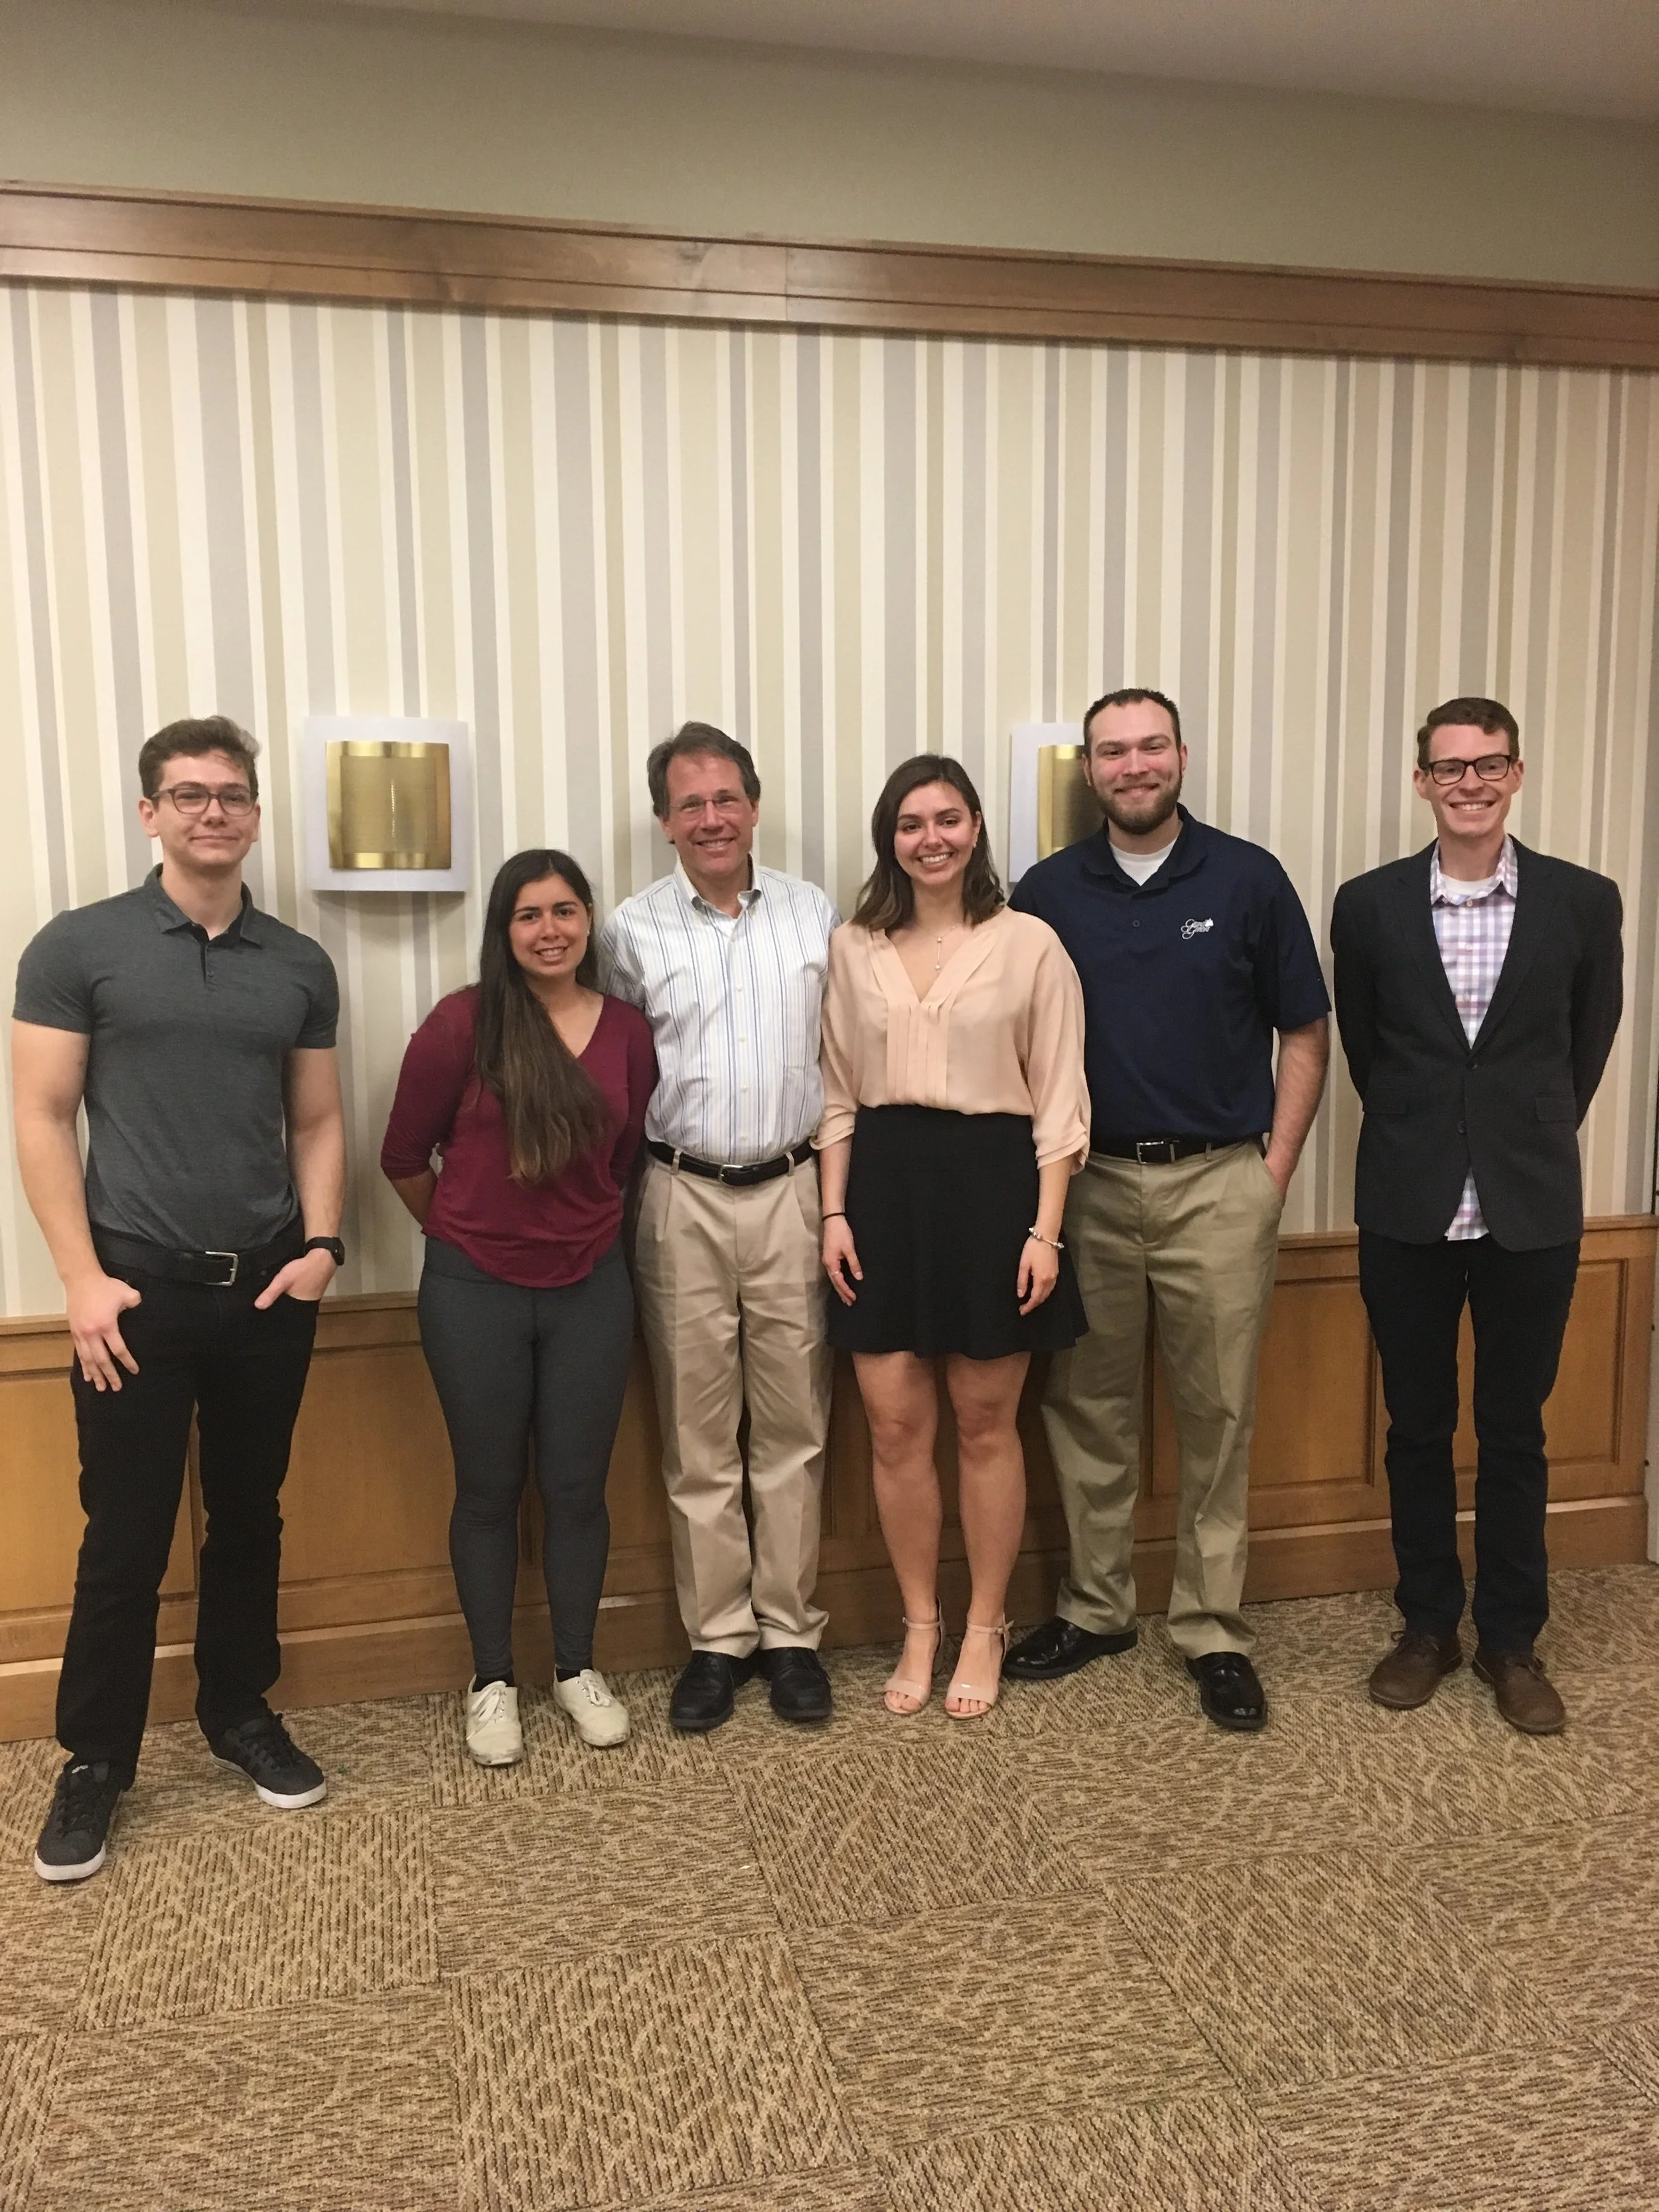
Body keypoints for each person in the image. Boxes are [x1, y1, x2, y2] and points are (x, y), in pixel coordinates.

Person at [13, 715, 345, 1881]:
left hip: (266, 1289)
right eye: (189, 793)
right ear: (149, 811)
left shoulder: (299, 963)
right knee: (126, 1535)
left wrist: (322, 1245)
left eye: (234, 794)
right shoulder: (78, 946)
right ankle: (96, 1760)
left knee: (250, 1514)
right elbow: (44, 1116)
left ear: (255, 813)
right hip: (132, 1295)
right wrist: (80, 1279)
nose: (215, 811)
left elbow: (316, 1120)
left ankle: (238, 1710)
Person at [1005, 688, 1329, 1732]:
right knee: (1086, 1408)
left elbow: (1306, 1036)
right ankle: (1098, 1609)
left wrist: (1271, 1171)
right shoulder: (1048, 891)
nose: (1134, 765)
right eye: (1113, 751)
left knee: (1219, 1415)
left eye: (1151, 746)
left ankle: (1212, 1628)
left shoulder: (1247, 878)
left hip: (1220, 1186)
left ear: (1181, 755)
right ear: (1088, 770)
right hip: (1089, 1185)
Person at [1331, 698, 1622, 1735]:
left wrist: (1515, 1131)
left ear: (1518, 773)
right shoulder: (1366, 906)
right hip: (1407, 1201)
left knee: (1514, 1430)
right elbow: (1368, 1051)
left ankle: (1511, 1638)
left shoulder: (1584, 902)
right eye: (1448, 767)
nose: (1469, 783)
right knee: (1415, 1428)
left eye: (1488, 764)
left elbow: (1586, 1047)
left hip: (1530, 1205)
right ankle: (1427, 1626)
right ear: (1421, 783)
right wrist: (1438, 1126)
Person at [817, 756, 1089, 1719]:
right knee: (895, 1428)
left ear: (975, 828)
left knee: (985, 1425)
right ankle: (920, 1622)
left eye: (947, 819)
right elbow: (837, 1096)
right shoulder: (852, 946)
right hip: (882, 1192)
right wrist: (834, 1214)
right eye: (909, 823)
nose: (929, 839)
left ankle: (984, 1623)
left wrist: (1045, 1234)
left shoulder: (1031, 946)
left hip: (994, 1194)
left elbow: (1061, 1106)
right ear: (889, 839)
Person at [382, 849, 656, 1764]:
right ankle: (492, 1679)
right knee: (490, 1490)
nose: (551, 930)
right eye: (530, 915)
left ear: (589, 921)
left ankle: (575, 1667)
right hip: (473, 1293)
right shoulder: (463, 1025)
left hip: (591, 1288)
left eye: (567, 911)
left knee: (578, 1489)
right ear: (505, 930)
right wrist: (468, 1236)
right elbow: (402, 1159)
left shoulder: (626, 1029)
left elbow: (624, 1161)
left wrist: (565, 1234)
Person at [599, 723, 839, 1733]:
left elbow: (842, 1063)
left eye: (726, 799)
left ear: (752, 805)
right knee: (700, 1434)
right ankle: (719, 1639)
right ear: (664, 821)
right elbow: (608, 1070)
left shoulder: (815, 913)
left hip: (792, 1187)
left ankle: (790, 1635)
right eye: (690, 804)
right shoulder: (629, 930)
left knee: (793, 1427)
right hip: (678, 1194)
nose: (711, 818)